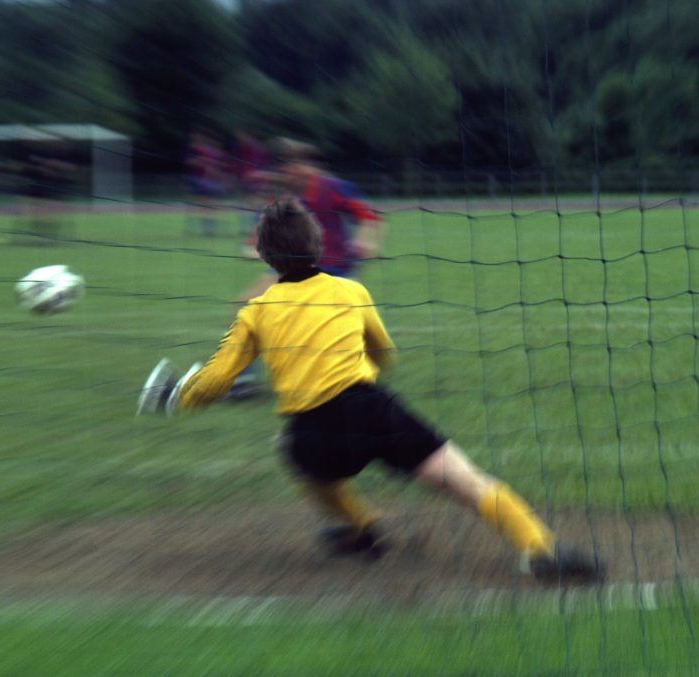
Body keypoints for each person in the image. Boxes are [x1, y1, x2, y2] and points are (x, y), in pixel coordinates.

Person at [139, 199, 605, 585]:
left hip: (313, 432)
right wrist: (368, 370)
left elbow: (217, 382)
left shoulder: (255, 312)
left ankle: (361, 528)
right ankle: (538, 548)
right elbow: (383, 352)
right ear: (319, 244)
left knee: (290, 450)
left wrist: (174, 394)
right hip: (373, 411)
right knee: (466, 481)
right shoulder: (350, 291)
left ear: (264, 256)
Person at [229, 139, 383, 398]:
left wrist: (365, 240)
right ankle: (242, 382)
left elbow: (368, 217)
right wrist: (254, 249)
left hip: (335, 270)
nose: (291, 173)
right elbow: (256, 238)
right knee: (246, 305)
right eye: (285, 168)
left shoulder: (333, 188)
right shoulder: (281, 198)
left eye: (295, 166)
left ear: (307, 164)